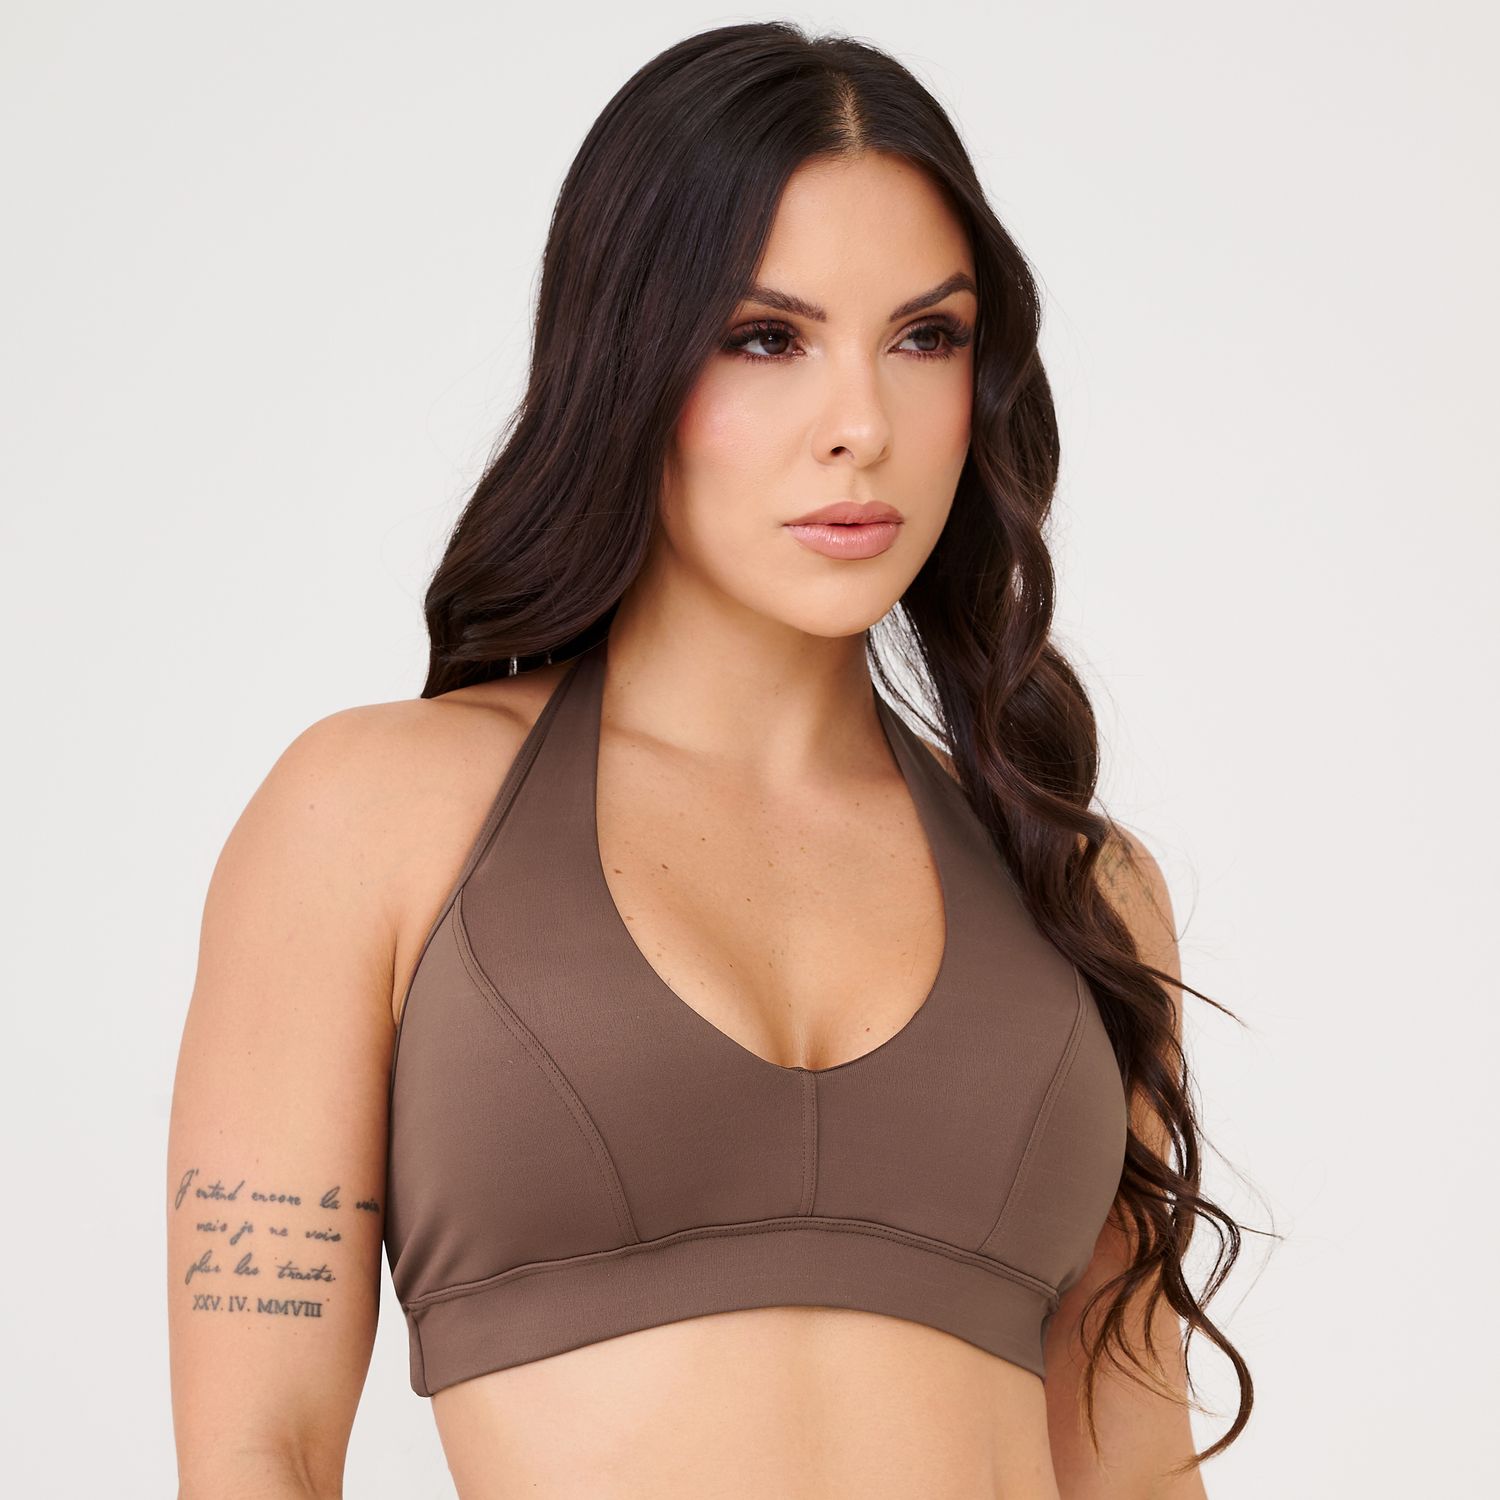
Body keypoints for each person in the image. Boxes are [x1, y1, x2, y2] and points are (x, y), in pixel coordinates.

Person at [167, 21, 1253, 1499]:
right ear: (627, 360)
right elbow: (260, 1453)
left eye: (925, 339)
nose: (861, 426)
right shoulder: (372, 816)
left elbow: (1139, 1474)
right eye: (766, 338)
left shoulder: (1082, 889)